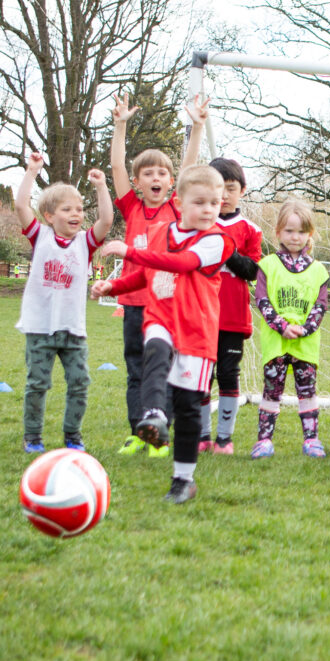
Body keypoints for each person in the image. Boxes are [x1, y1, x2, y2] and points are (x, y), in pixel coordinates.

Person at [92, 165, 234, 503]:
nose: (208, 210)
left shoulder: (218, 240)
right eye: (199, 202)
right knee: (154, 349)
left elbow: (182, 263)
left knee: (187, 408)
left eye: (214, 203)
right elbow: (146, 274)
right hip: (162, 315)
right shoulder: (160, 232)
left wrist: (128, 251)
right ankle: (153, 414)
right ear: (180, 201)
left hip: (197, 332)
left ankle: (183, 480)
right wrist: (112, 286)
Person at [111, 93, 205, 457]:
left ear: (170, 183)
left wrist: (196, 126)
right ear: (137, 181)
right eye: (147, 172)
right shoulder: (132, 206)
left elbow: (190, 166)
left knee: (164, 370)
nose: (156, 177)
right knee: (136, 370)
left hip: (168, 306)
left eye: (162, 173)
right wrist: (121, 126)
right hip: (134, 304)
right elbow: (117, 168)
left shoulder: (175, 206)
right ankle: (139, 430)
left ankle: (161, 431)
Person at [15, 152, 113, 453]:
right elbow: (21, 205)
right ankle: (32, 437)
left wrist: (101, 187)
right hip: (40, 328)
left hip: (73, 329)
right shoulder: (40, 236)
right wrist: (32, 171)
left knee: (79, 382)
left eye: (80, 209)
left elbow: (107, 221)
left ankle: (73, 436)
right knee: (38, 384)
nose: (76, 214)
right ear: (49, 216)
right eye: (67, 209)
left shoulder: (84, 242)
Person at [250, 199, 329, 459]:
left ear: (310, 234)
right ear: (278, 233)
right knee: (271, 391)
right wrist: (282, 327)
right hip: (277, 342)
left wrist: (304, 329)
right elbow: (262, 300)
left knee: (307, 392)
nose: (295, 237)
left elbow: (320, 306)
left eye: (301, 231)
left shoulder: (318, 270)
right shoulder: (268, 265)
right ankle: (264, 441)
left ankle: (312, 439)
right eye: (289, 231)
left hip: (305, 345)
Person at [197, 158, 264, 455]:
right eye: (217, 189)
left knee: (227, 373)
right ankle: (201, 435)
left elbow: (253, 271)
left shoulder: (250, 229)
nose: (223, 196)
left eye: (230, 188)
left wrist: (227, 251)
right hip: (199, 313)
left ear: (243, 191)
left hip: (234, 316)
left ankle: (224, 438)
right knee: (201, 375)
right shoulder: (197, 223)